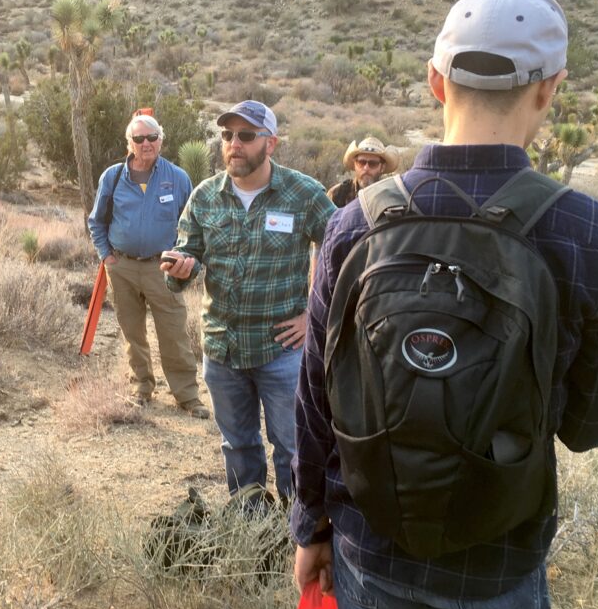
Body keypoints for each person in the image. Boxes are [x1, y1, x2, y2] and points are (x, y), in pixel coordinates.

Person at [291, 0, 598, 609]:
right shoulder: (594, 236)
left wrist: (311, 525)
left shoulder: (352, 226)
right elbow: (588, 427)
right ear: (550, 88)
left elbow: (316, 400)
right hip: (498, 557)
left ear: (434, 81)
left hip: (371, 544)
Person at [163, 100, 335, 500]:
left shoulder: (304, 194)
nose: (233, 144)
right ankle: (251, 525)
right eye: (226, 136)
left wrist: (314, 316)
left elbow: (344, 255)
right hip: (222, 351)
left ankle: (297, 534)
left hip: (282, 353)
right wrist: (181, 268)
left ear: (270, 143)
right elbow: (188, 255)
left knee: (293, 448)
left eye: (245, 135)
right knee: (238, 446)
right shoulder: (205, 197)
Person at [87, 112, 208, 419]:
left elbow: (191, 224)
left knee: (174, 332)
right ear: (129, 143)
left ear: (161, 141)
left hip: (162, 268)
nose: (146, 144)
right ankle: (142, 388)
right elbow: (97, 221)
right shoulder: (113, 176)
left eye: (151, 138)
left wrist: (183, 260)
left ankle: (187, 396)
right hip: (122, 267)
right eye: (138, 139)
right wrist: (106, 256)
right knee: (132, 332)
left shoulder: (178, 178)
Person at [326, 136, 400, 208]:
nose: (366, 168)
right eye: (361, 162)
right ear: (355, 164)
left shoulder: (390, 198)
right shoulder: (337, 194)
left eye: (373, 163)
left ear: (382, 167)